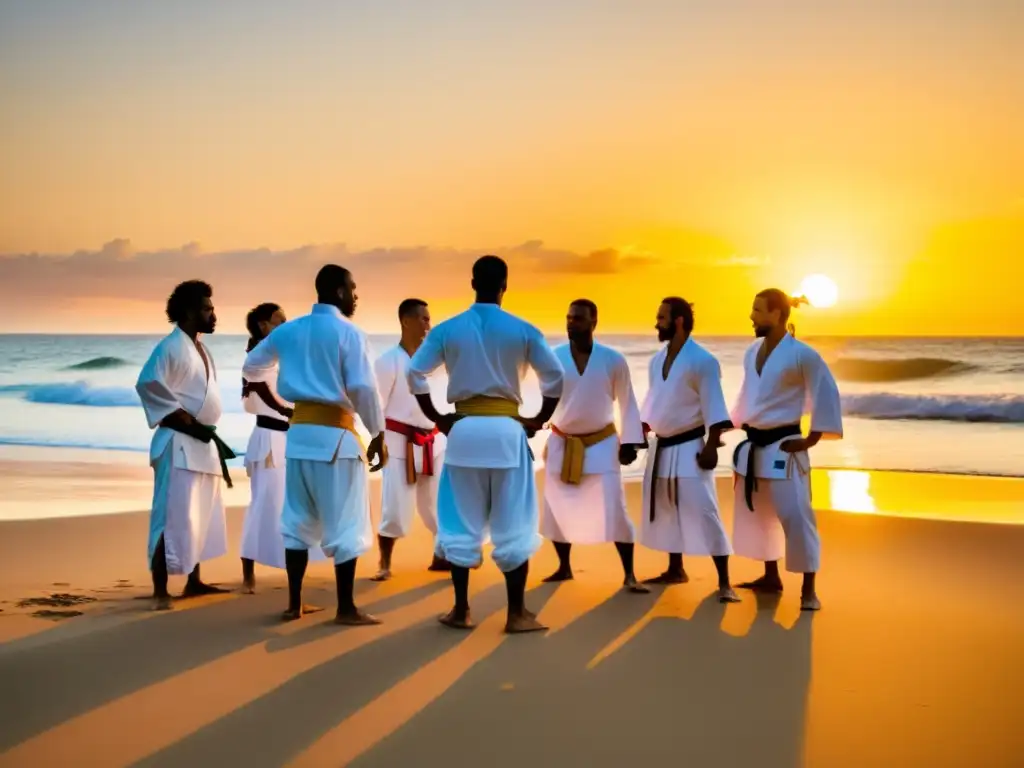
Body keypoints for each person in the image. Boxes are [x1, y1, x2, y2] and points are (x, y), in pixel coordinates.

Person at [407, 255, 564, 634]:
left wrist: (439, 417)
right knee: (514, 521)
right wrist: (539, 418)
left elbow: (415, 372)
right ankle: (516, 613)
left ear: (473, 281)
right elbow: (555, 377)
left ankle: (461, 610)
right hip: (507, 431)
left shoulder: (447, 329)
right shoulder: (522, 329)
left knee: (460, 521)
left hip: (463, 431)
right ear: (504, 285)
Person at [242, 265, 388, 624]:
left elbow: (251, 365)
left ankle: (294, 604)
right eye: (353, 288)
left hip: (299, 435)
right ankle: (347, 608)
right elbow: (364, 388)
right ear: (338, 291)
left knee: (297, 520)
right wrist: (378, 433)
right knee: (347, 522)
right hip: (336, 436)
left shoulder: (289, 332)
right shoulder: (350, 334)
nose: (356, 295)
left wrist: (286, 390)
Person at [730, 288, 843, 611]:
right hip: (755, 446)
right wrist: (732, 424)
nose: (752, 316)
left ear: (777, 314)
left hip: (785, 446)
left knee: (796, 516)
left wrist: (812, 438)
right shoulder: (752, 352)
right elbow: (748, 393)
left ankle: (809, 590)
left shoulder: (802, 354)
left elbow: (825, 390)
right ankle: (770, 577)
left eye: (758, 310)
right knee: (761, 515)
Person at [136, 280, 234, 610]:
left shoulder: (198, 347)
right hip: (178, 442)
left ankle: (194, 582)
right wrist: (182, 418)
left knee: (199, 514)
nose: (213, 314)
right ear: (191, 313)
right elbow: (148, 384)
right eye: (207, 309)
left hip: (201, 444)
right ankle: (160, 591)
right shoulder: (170, 348)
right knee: (169, 516)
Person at [539, 299, 649, 592]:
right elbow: (545, 399)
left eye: (577, 318)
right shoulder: (554, 357)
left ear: (593, 322)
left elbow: (627, 401)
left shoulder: (613, 360)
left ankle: (629, 574)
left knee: (616, 507)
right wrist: (533, 424)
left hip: (601, 443)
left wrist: (630, 442)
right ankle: (564, 567)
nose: (570, 322)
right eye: (568, 317)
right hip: (563, 442)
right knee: (557, 506)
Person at [639, 297, 739, 602]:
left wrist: (711, 446)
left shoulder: (703, 361)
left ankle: (725, 582)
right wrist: (636, 434)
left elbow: (714, 406)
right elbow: (653, 403)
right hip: (662, 447)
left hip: (690, 447)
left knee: (704, 509)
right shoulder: (657, 360)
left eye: (661, 317)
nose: (656, 323)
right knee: (667, 509)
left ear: (679, 320)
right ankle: (675, 569)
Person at [238, 302, 327, 594]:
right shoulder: (256, 358)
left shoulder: (276, 357)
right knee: (264, 504)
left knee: (292, 505)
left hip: (288, 438)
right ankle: (248, 573)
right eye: (280, 321)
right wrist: (287, 412)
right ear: (264, 325)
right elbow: (260, 391)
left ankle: (293, 569)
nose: (286, 325)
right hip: (268, 441)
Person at [372, 298, 449, 580]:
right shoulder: (387, 361)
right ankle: (384, 563)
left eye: (429, 319)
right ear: (406, 321)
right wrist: (376, 439)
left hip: (434, 442)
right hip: (399, 443)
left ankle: (442, 556)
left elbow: (444, 400)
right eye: (424, 319)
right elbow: (375, 405)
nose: (429, 324)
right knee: (395, 507)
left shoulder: (436, 362)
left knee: (437, 504)